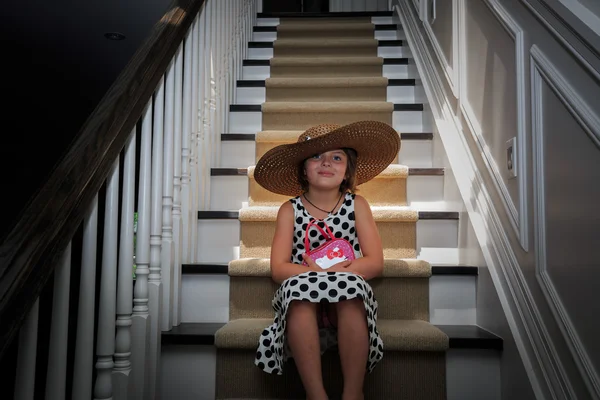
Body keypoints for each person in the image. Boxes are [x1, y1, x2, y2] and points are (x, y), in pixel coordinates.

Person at [252, 121, 401, 400]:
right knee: (298, 295)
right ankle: (315, 394)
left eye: (336, 157)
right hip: (302, 295)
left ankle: (353, 392)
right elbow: (279, 268)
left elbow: (374, 262)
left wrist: (334, 273)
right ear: (303, 170)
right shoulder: (289, 210)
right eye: (315, 157)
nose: (326, 163)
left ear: (347, 171)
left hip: (345, 295)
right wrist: (315, 275)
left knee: (348, 291)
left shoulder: (357, 205)